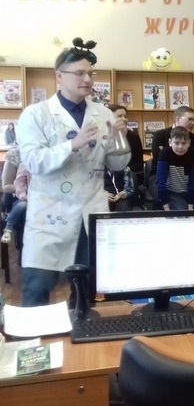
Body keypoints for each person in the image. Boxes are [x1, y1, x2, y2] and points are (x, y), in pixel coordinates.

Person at [17, 37, 129, 306]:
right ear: (59, 76)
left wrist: (119, 140)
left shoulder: (104, 114)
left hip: (90, 211)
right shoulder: (36, 114)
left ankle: (81, 330)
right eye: (80, 73)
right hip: (49, 216)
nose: (87, 79)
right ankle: (36, 334)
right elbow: (32, 161)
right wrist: (72, 144)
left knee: (86, 292)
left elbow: (117, 165)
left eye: (91, 73)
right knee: (37, 289)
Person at [156, 126, 194, 211]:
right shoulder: (165, 153)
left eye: (184, 143)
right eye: (177, 143)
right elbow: (161, 181)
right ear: (170, 142)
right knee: (181, 210)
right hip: (173, 193)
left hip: (190, 192)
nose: (180, 147)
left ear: (189, 143)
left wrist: (190, 206)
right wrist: (166, 207)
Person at [107, 105, 144, 184]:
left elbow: (139, 164)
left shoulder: (133, 136)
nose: (124, 119)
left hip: (128, 178)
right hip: (107, 179)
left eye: (125, 116)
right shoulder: (102, 136)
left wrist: (125, 171)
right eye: (119, 116)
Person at [1, 162, 29, 244]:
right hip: (25, 196)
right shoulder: (25, 164)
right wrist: (23, 195)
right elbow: (19, 183)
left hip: (47, 198)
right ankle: (8, 227)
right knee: (22, 205)